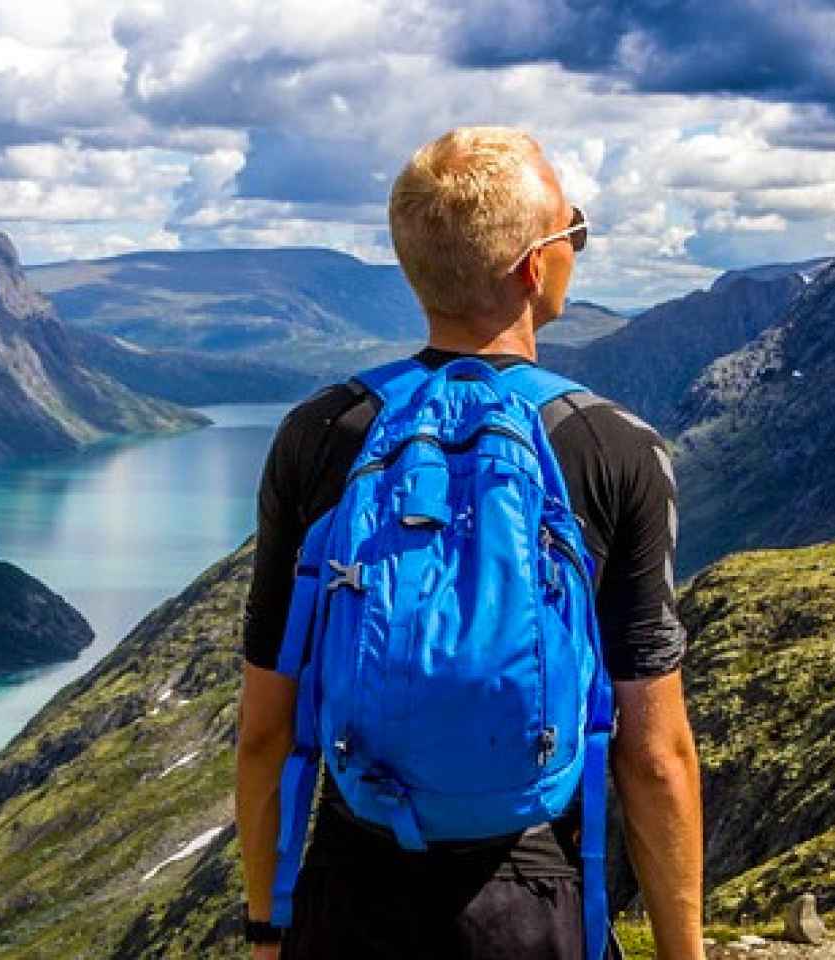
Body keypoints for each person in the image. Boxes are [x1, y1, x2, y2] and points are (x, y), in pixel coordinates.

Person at [233, 127, 705, 960]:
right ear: (536, 267)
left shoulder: (320, 433)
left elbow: (267, 730)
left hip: (350, 890)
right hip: (532, 897)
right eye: (574, 233)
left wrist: (269, 927)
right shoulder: (614, 447)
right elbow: (654, 753)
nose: (575, 252)